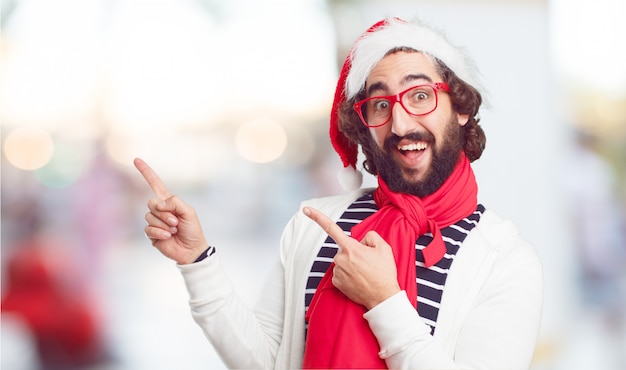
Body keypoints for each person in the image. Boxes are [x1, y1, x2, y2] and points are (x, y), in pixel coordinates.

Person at [135, 17, 543, 369]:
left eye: (420, 96)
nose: (400, 124)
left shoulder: (504, 259)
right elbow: (266, 362)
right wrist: (196, 261)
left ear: (461, 106)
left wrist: (383, 300)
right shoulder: (317, 226)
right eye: (379, 105)